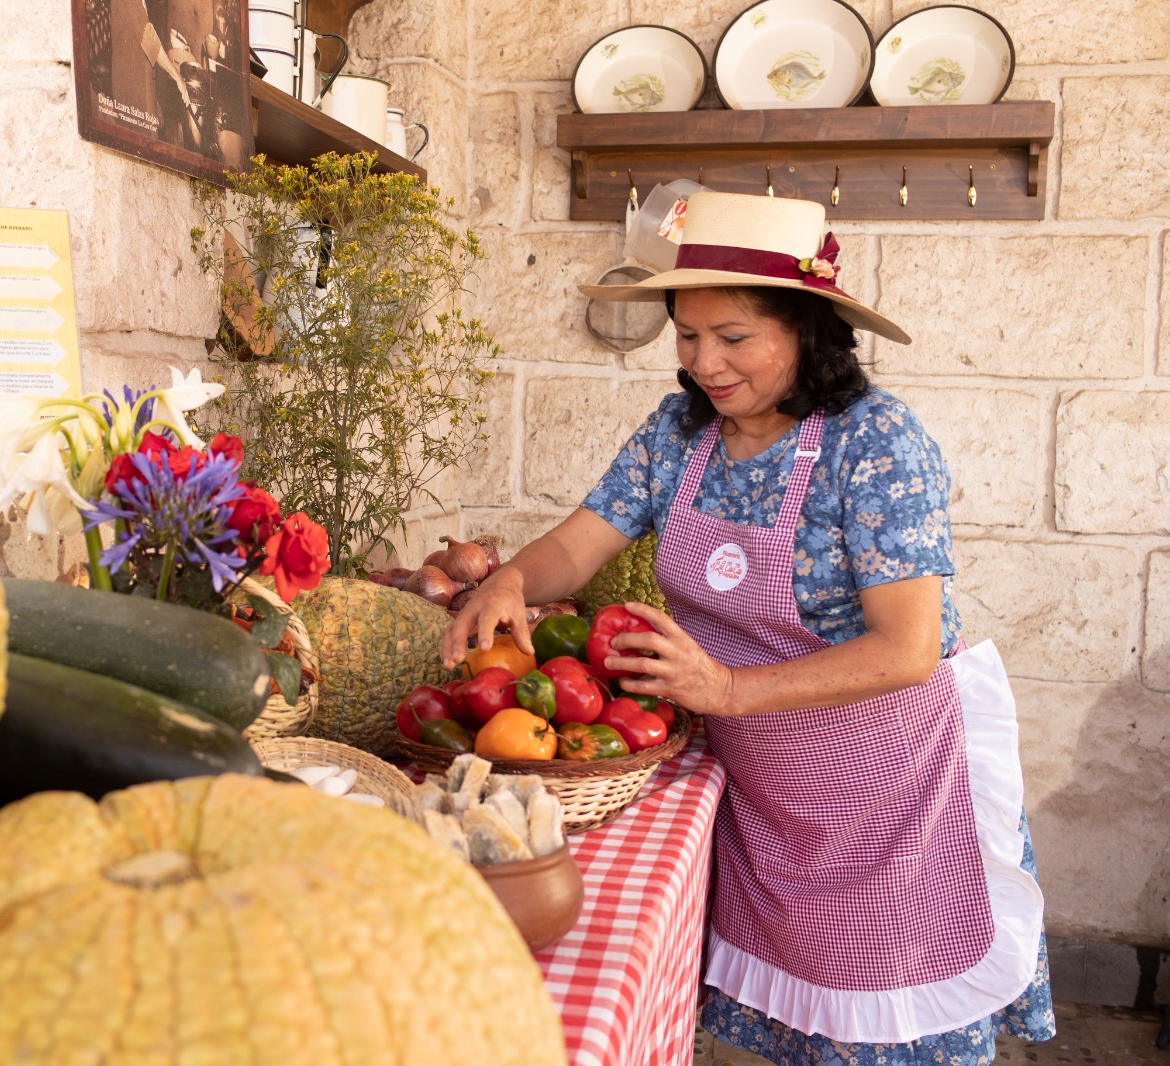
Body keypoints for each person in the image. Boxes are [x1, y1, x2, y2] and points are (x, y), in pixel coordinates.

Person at [440, 191, 1056, 1065]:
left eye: (734, 337)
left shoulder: (872, 443)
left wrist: (726, 688)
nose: (703, 363)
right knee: (794, 1028)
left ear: (808, 329)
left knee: (887, 1025)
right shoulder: (676, 434)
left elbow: (907, 648)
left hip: (884, 800)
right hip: (762, 788)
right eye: (687, 335)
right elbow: (577, 548)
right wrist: (508, 579)